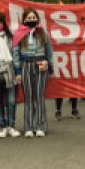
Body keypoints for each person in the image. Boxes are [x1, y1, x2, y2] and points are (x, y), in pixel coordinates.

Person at [13, 8, 54, 138]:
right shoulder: (19, 33)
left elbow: (49, 50)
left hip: (40, 65)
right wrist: (18, 71)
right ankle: (29, 127)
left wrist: (49, 64)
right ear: (24, 19)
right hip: (26, 66)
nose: (31, 20)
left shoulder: (43, 32)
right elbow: (15, 54)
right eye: (29, 18)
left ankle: (40, 126)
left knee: (39, 96)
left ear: (37, 19)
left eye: (33, 18)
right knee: (29, 97)